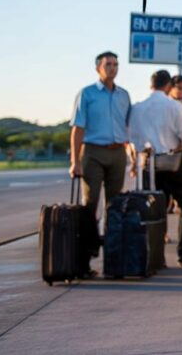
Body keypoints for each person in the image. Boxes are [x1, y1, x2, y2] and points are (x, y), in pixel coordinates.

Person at [130, 70, 182, 270]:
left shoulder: (137, 108)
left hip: (150, 164)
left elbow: (133, 139)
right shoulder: (174, 106)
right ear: (168, 85)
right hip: (174, 163)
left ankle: (155, 257)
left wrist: (138, 160)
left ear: (150, 84)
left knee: (154, 210)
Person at [69, 51, 131, 235]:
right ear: (98, 68)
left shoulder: (124, 95)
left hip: (118, 152)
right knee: (90, 201)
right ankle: (87, 248)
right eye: (108, 65)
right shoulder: (87, 94)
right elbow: (78, 129)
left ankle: (112, 246)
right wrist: (75, 161)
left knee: (115, 203)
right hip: (93, 152)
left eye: (115, 65)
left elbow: (128, 128)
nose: (112, 68)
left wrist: (133, 156)